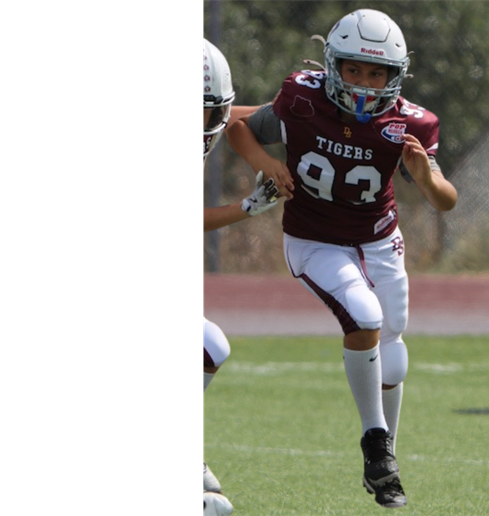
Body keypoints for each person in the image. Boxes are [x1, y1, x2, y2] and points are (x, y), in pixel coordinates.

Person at [225, 8, 456, 509]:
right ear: (332, 65)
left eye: (376, 73)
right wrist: (265, 161)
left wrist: (426, 176)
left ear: (396, 75)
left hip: (380, 240)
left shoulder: (411, 123)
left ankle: (386, 465)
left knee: (393, 345)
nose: (364, 83)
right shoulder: (301, 97)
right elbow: (239, 127)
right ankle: (375, 440)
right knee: (365, 317)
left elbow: (446, 201)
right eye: (354, 69)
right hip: (315, 240)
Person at [203, 36, 279, 515]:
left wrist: (315, 108)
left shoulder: (216, 114)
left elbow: (241, 117)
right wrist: (247, 208)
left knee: (209, 347)